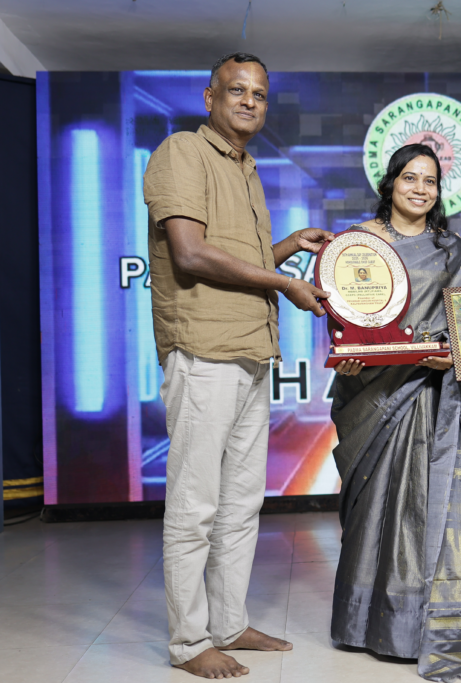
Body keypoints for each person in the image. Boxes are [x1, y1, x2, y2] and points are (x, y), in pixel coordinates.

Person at [143, 52, 334, 679]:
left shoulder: (246, 169)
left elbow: (239, 261)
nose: (249, 101)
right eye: (236, 90)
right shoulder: (182, 152)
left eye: (259, 94)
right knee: (195, 505)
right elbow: (191, 255)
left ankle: (228, 623)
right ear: (210, 97)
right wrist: (283, 282)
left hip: (251, 352)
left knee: (241, 504)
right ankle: (189, 642)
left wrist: (289, 246)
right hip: (203, 351)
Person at [329, 144, 461, 681]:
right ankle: (359, 622)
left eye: (430, 181)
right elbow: (345, 315)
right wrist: (348, 354)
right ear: (390, 183)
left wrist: (456, 351)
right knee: (371, 506)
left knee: (423, 510)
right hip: (373, 392)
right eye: (410, 178)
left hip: (430, 395)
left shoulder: (450, 249)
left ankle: (414, 626)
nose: (420, 189)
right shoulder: (358, 243)